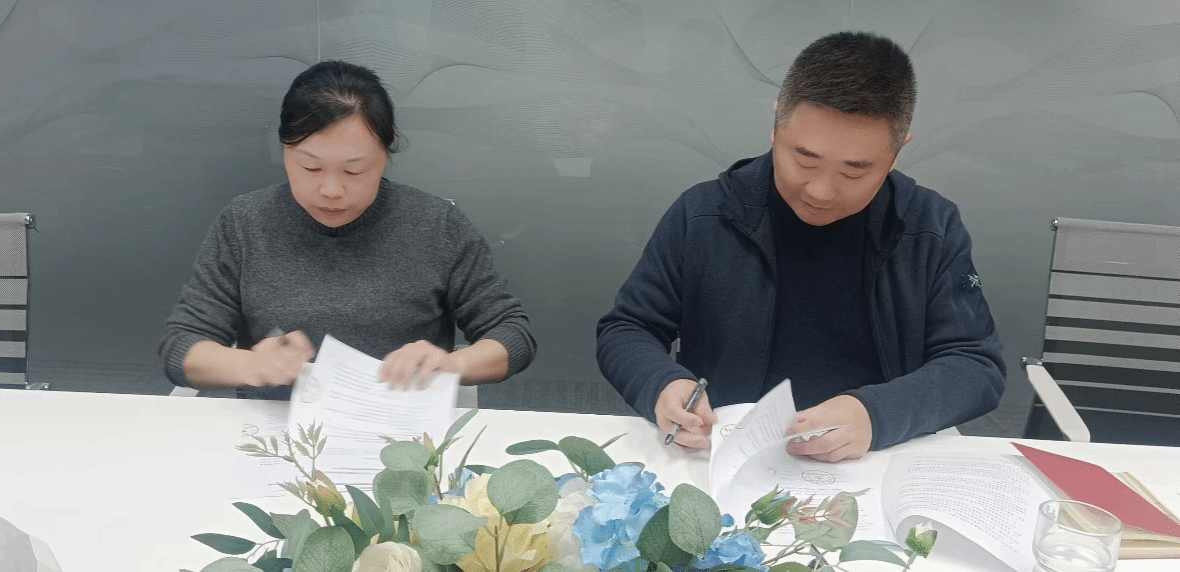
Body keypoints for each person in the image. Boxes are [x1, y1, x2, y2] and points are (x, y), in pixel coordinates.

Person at [596, 31, 1004, 461]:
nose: (821, 192)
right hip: (728, 457)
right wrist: (661, 383)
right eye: (804, 160)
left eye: (853, 172)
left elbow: (975, 365)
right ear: (776, 126)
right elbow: (629, 328)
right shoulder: (703, 216)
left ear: (897, 152)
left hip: (872, 459)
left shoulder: (930, 228)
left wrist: (877, 414)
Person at [159, 60, 536, 399]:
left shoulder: (437, 226)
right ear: (285, 151)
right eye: (310, 168)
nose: (331, 190)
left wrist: (450, 365)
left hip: (399, 430)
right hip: (276, 435)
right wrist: (250, 365)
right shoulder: (245, 222)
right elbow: (182, 346)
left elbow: (512, 335)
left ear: (386, 155)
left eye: (354, 171)